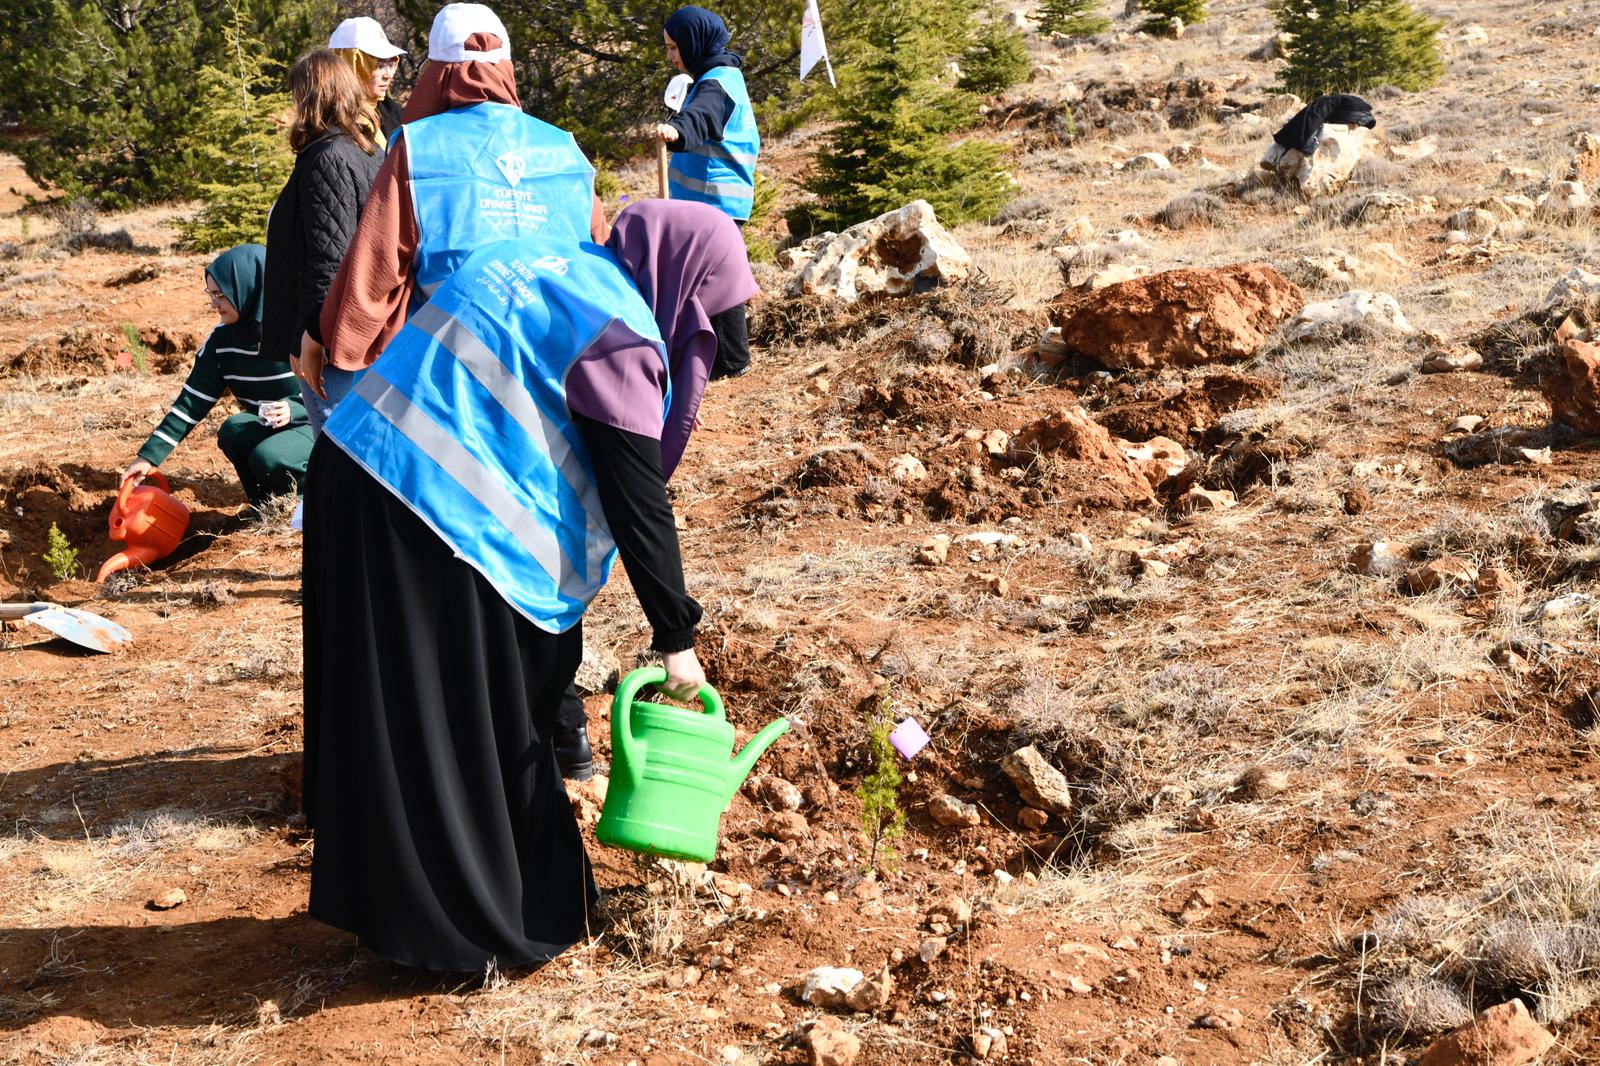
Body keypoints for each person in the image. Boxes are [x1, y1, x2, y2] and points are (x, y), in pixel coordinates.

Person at [300, 199, 757, 971]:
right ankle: (476, 929)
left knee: (407, 715)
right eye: (707, 317)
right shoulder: (618, 331)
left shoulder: (543, 259)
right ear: (683, 281)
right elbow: (635, 496)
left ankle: (405, 909)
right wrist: (675, 636)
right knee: (472, 717)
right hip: (426, 508)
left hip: (353, 472)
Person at [304, 2, 610, 392]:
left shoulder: (415, 148)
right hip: (558, 354)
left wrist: (326, 333)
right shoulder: (563, 148)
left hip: (456, 363)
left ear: (438, 74)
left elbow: (377, 263)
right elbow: (601, 257)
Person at [122, 246, 313, 508]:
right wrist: (148, 458)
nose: (213, 304)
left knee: (268, 457)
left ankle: (307, 505)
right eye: (210, 294)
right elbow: (191, 402)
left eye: (220, 295)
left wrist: (294, 408)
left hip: (318, 426)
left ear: (248, 288)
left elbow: (336, 388)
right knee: (233, 431)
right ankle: (266, 508)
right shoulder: (222, 341)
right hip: (274, 428)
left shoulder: (301, 331)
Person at [263, 49, 384, 436]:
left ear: (311, 97)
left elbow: (330, 258)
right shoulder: (366, 150)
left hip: (335, 341)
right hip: (365, 327)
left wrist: (312, 337)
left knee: (340, 449)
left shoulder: (326, 159)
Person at [655, 5, 758, 380]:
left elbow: (703, 115)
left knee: (716, 278)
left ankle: (731, 361)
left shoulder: (719, 82)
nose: (670, 56)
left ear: (694, 42)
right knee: (706, 277)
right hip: (709, 201)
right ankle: (715, 356)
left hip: (716, 201)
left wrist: (677, 132)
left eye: (673, 47)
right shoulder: (713, 76)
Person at [328, 16, 407, 139]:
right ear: (353, 65)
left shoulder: (395, 114)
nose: (388, 75)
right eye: (379, 66)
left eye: (391, 64)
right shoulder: (328, 120)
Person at [1260, 93, 1376, 172]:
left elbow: (1313, 119)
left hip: (1353, 112)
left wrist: (1303, 142)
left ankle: (1274, 156)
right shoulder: (1327, 102)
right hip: (1361, 113)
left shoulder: (1322, 103)